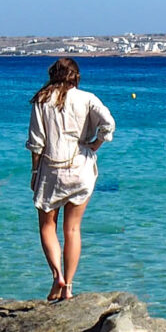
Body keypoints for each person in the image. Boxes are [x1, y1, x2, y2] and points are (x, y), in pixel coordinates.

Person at [26, 57, 115, 301]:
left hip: (52, 169)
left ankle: (57, 275)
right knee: (73, 229)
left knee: (47, 225)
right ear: (76, 76)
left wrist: (35, 173)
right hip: (81, 168)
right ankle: (69, 287)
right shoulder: (87, 98)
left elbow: (37, 143)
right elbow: (109, 123)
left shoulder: (41, 100)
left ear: (53, 74)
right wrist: (96, 143)